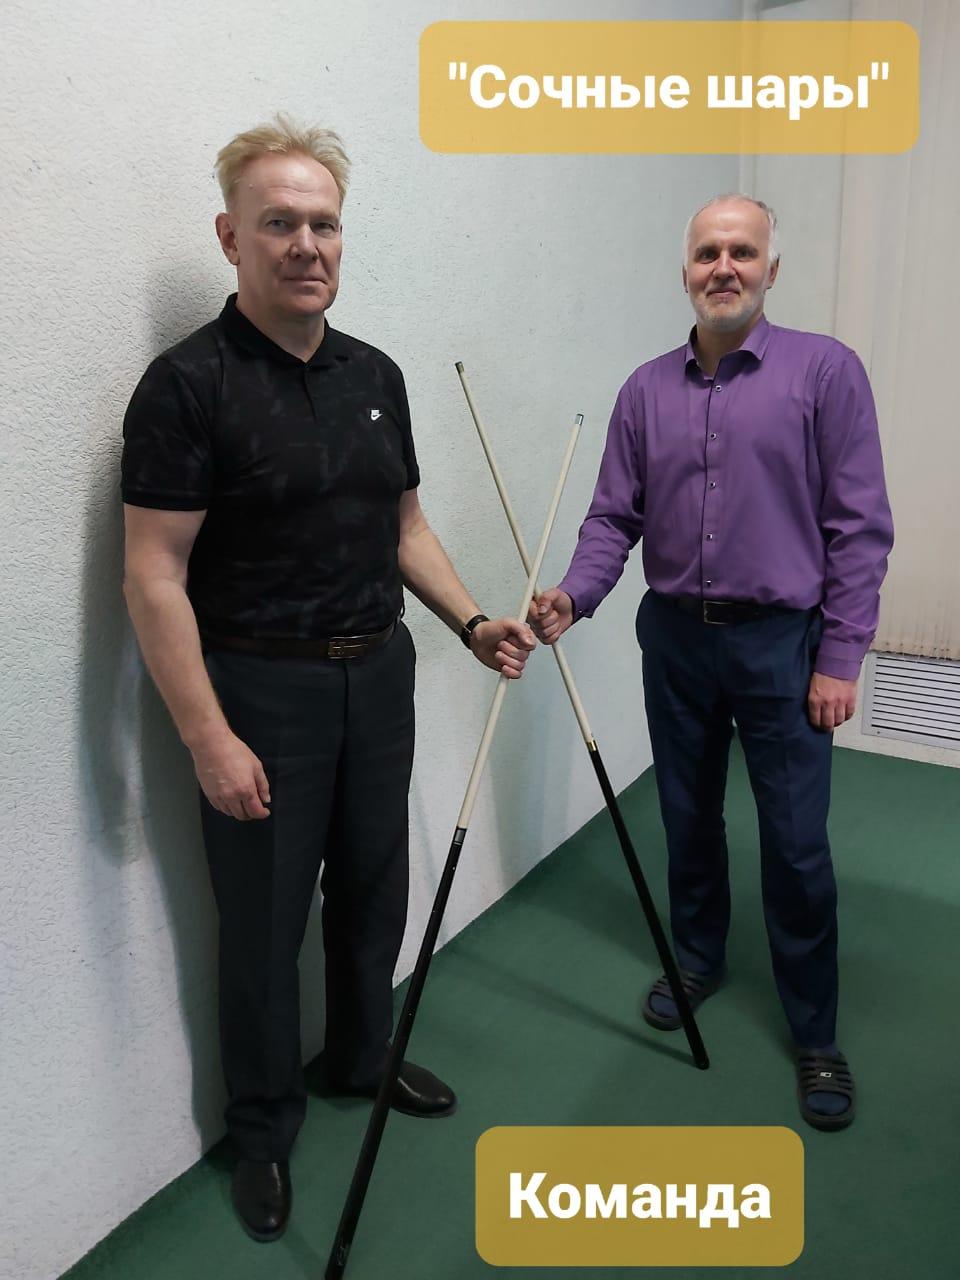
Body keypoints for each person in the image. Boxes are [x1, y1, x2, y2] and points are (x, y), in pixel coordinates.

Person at [120, 115, 536, 1241]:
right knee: (263, 926)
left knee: (372, 886)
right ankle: (262, 1129)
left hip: (378, 673)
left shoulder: (375, 374)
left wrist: (469, 622)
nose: (306, 244)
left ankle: (360, 1056)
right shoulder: (187, 384)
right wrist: (207, 735)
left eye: (324, 223)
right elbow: (153, 575)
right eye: (279, 223)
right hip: (261, 692)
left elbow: (405, 526)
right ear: (231, 238)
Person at [533, 194, 893, 1133]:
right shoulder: (644, 391)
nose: (723, 267)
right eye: (706, 252)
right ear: (685, 270)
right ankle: (697, 958)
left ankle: (814, 1028)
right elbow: (613, 516)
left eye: (741, 251)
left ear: (772, 269)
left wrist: (841, 656)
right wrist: (575, 593)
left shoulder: (826, 372)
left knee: (795, 840)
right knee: (687, 815)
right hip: (677, 639)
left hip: (784, 644)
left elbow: (859, 528)